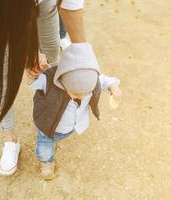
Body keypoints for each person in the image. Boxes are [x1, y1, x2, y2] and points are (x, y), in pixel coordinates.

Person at [0, 0, 88, 176]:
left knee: (51, 58)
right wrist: (27, 54)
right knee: (0, 67)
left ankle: (46, 131)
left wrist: (85, 55)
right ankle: (10, 138)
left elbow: (71, 7)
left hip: (43, 3)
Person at [27, 43, 122, 180]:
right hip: (47, 127)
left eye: (86, 93)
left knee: (62, 133)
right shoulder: (50, 81)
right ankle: (46, 162)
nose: (82, 97)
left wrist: (113, 86)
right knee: (45, 148)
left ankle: (58, 140)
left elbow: (104, 80)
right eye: (76, 94)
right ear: (62, 81)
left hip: (70, 126)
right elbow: (34, 83)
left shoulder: (90, 79)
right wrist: (31, 73)